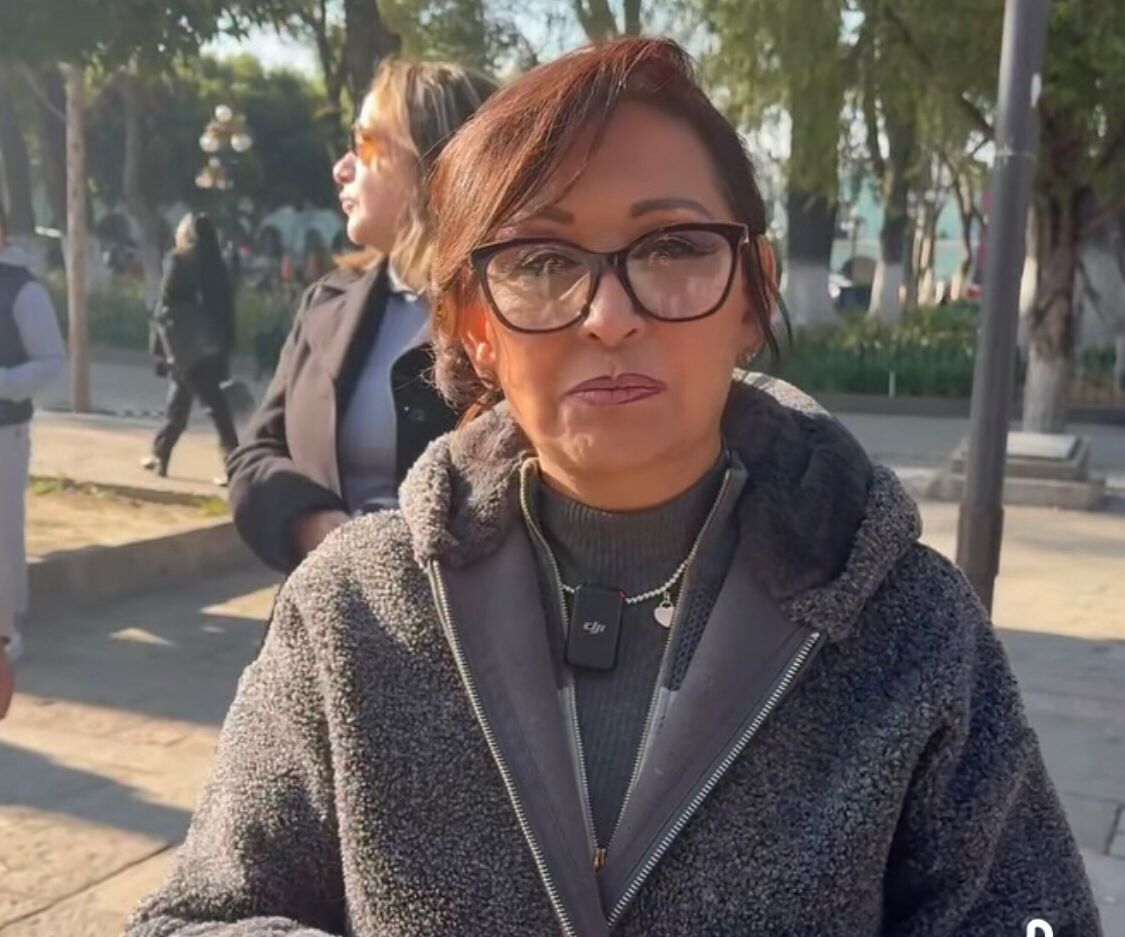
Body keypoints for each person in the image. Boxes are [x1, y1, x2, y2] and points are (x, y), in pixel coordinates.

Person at [127, 39, 1100, 937]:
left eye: (672, 247)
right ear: (474, 327)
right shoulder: (351, 614)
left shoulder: (909, 630)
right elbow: (197, 916)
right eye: (543, 260)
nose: (607, 314)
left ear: (753, 291)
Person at [226, 60, 497, 574]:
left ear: (431, 160)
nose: (341, 169)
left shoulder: (518, 315)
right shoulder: (327, 303)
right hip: (325, 607)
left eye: (365, 144)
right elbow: (255, 456)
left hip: (466, 618)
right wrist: (320, 530)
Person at [0, 200, 66, 672]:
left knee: (2, 534)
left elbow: (51, 360)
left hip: (5, 433)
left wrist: (3, 382)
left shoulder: (23, 291)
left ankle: (7, 632)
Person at [145, 212, 239, 482]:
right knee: (180, 402)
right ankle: (160, 453)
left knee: (215, 408)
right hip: (210, 344)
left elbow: (165, 309)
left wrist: (158, 349)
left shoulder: (179, 261)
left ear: (186, 235)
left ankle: (234, 466)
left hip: (185, 346)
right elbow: (225, 309)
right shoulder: (217, 264)